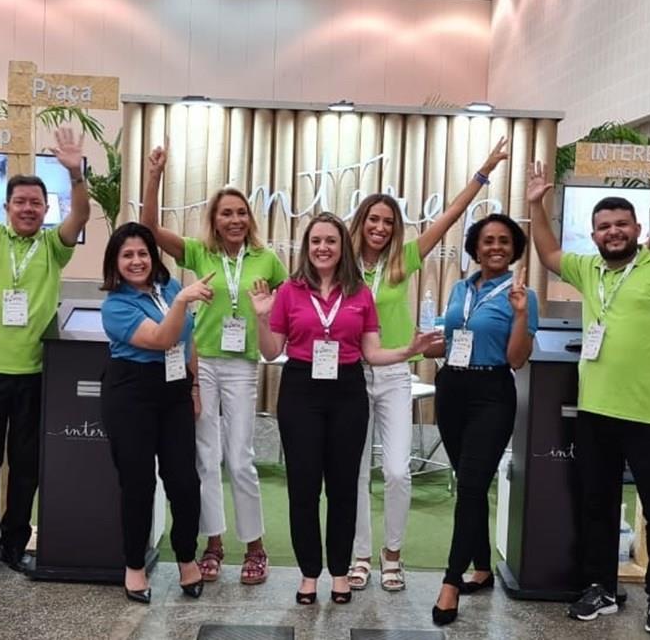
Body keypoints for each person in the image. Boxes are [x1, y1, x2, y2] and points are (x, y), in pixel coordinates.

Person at [526, 160, 650, 635]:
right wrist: (536, 204)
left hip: (649, 416)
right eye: (604, 227)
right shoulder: (588, 268)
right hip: (595, 412)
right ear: (594, 234)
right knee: (596, 504)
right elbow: (548, 252)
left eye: (621, 224)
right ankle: (599, 587)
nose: (613, 232)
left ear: (637, 229)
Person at [346, 137, 510, 594]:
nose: (380, 228)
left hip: (394, 374)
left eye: (388, 222)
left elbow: (451, 214)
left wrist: (483, 172)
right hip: (350, 375)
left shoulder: (405, 260)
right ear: (361, 223)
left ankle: (392, 554)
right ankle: (360, 555)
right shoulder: (343, 265)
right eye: (373, 219)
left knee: (398, 471)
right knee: (354, 472)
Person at [249, 213, 438, 605]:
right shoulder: (290, 291)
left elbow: (372, 353)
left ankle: (339, 572)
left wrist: (408, 351)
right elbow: (270, 352)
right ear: (307, 247)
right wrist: (262, 318)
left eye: (331, 241)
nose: (323, 248)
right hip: (300, 390)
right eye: (316, 241)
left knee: (343, 488)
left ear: (342, 248)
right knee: (303, 488)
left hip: (348, 391)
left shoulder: (360, 293)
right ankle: (308, 574)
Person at [0, 100, 92, 579]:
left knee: (26, 466)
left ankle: (14, 545)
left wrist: (75, 174)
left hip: (34, 373)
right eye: (20, 202)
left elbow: (82, 214)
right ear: (7, 208)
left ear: (46, 209)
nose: (28, 208)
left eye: (36, 203)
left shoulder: (54, 248)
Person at [140, 143, 287, 586]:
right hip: (201, 364)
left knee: (240, 459)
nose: (235, 220)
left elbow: (286, 301)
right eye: (226, 213)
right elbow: (149, 229)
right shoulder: (199, 252)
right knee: (206, 458)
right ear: (214, 219)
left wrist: (272, 323)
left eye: (241, 213)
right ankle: (214, 543)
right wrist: (154, 177)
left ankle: (255, 547)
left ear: (250, 218)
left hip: (242, 365)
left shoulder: (267, 259)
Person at [427, 213, 539, 626]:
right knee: (468, 483)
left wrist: (521, 314)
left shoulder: (523, 294)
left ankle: (451, 582)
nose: (496, 247)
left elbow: (517, 358)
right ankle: (482, 567)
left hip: (492, 393)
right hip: (451, 388)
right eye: (488, 240)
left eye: (504, 241)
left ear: (514, 249)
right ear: (476, 247)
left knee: (472, 486)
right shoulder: (461, 288)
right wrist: (421, 345)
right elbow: (451, 340)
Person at [99, 222, 211, 604]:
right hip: (131, 394)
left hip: (175, 391)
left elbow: (186, 339)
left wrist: (194, 387)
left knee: (184, 481)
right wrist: (182, 303)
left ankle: (186, 557)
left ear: (153, 256)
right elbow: (163, 338)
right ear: (115, 262)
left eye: (143, 253)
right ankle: (134, 565)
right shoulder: (115, 305)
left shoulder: (171, 288)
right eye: (127, 255)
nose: (136, 261)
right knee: (138, 483)